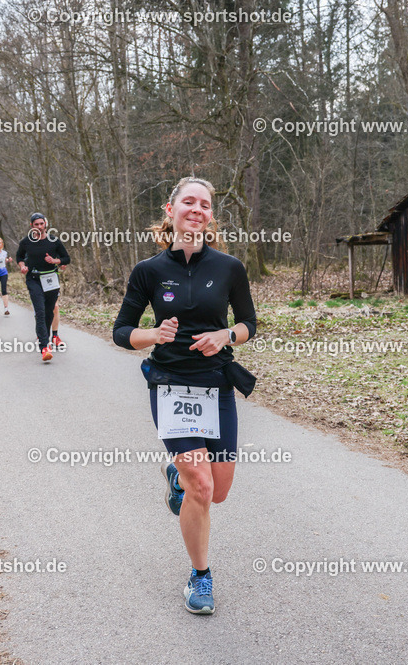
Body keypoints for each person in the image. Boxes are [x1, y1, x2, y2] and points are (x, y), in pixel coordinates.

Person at [112, 177, 257, 615]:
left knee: (219, 492)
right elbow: (121, 331)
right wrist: (153, 334)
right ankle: (200, 575)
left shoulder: (229, 267)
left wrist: (226, 334)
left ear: (211, 216)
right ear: (171, 209)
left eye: (205, 204)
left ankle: (176, 477)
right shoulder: (149, 271)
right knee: (201, 485)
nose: (197, 209)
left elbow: (250, 322)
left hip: (217, 383)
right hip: (172, 384)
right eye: (188, 201)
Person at [16, 213, 70, 362]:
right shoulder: (26, 242)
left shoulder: (54, 241)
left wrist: (55, 260)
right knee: (39, 311)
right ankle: (45, 347)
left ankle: (44, 336)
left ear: (45, 224)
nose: (39, 227)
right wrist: (22, 266)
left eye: (41, 224)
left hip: (51, 279)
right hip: (34, 279)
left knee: (49, 311)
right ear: (31, 226)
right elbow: (19, 257)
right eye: (36, 224)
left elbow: (66, 258)